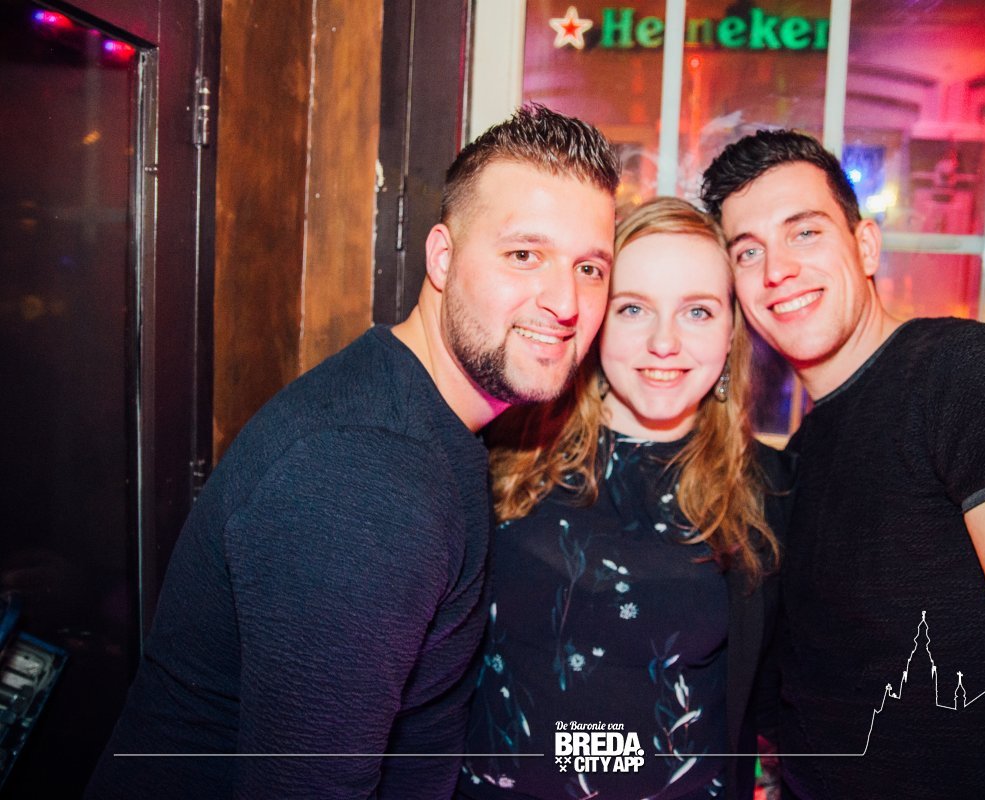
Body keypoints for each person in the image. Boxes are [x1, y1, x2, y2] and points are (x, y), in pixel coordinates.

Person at [84, 104, 619, 799]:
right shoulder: (365, 475)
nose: (566, 302)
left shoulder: (423, 418)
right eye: (525, 255)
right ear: (442, 257)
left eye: (589, 268)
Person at [699, 130, 985, 799]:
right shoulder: (802, 454)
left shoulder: (977, 378)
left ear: (866, 246)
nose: (777, 271)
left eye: (805, 233)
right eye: (748, 251)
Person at [456, 197, 787, 800]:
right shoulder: (504, 449)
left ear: (731, 332)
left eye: (697, 311)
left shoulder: (768, 488)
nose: (664, 342)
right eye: (633, 308)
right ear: (596, 320)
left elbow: (785, 698)